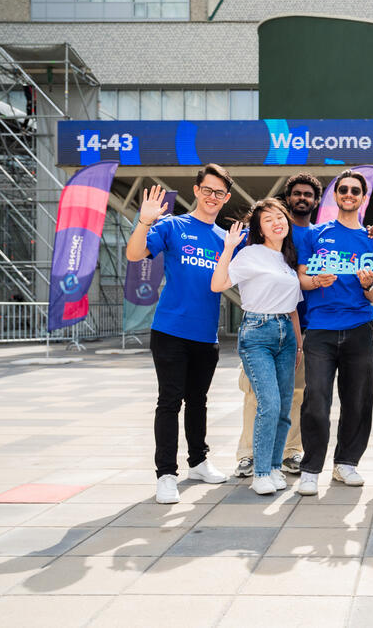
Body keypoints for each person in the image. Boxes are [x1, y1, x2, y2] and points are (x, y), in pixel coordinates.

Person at [125, 164, 233, 504]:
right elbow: (134, 254)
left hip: (206, 334)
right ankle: (166, 474)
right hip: (171, 330)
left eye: (219, 192)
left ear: (226, 198)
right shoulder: (172, 226)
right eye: (207, 190)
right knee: (169, 401)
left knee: (198, 401)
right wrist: (144, 222)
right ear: (196, 190)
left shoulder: (225, 239)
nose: (212, 197)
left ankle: (198, 462)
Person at [295, 169, 373, 496]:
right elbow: (302, 279)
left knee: (357, 401)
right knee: (316, 399)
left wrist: (368, 284)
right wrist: (316, 280)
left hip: (359, 327)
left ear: (363, 197)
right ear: (335, 194)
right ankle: (310, 468)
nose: (348, 194)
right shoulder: (315, 234)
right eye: (343, 189)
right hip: (320, 329)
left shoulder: (372, 240)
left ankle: (346, 462)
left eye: (355, 190)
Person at [211, 199, 302, 495]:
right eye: (268, 219)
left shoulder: (287, 259)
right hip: (257, 333)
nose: (277, 222)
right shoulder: (250, 254)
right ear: (260, 229)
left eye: (280, 217)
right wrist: (228, 248)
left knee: (285, 407)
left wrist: (298, 346)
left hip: (286, 334)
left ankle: (274, 467)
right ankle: (260, 472)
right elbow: (218, 284)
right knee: (269, 403)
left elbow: (292, 308)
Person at [233, 173, 322, 478]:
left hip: (299, 325)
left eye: (308, 194)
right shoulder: (265, 239)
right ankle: (248, 454)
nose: (302, 198)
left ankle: (287, 452)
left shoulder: (313, 236)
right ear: (288, 199)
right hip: (263, 326)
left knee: (293, 395)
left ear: (316, 201)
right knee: (256, 394)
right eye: (297, 193)